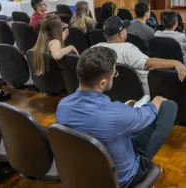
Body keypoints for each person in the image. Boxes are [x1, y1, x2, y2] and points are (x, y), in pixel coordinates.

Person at [56, 47, 177, 188]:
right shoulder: (116, 113)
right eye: (114, 74)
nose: (114, 76)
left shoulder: (62, 106)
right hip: (122, 178)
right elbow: (147, 115)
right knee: (169, 106)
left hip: (86, 172)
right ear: (102, 83)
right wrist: (157, 100)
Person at [92, 16, 186, 95]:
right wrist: (176, 63)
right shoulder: (127, 49)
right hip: (142, 94)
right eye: (125, 29)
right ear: (121, 34)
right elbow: (147, 64)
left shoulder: (94, 49)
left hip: (114, 94)